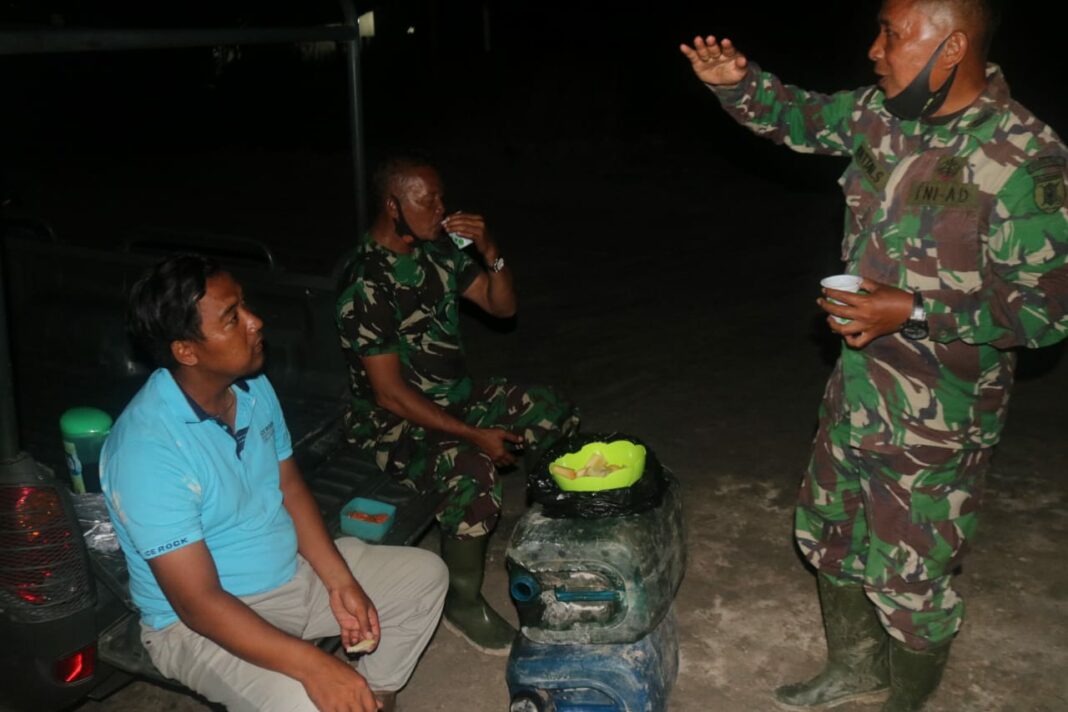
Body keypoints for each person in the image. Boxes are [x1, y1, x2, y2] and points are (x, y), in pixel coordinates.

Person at [682, 1, 1068, 710]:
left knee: (910, 578)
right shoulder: (880, 115)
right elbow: (799, 118)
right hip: (857, 384)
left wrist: (913, 310)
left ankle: (905, 700)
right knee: (828, 533)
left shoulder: (1024, 156)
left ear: (950, 47)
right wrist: (738, 83)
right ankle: (855, 668)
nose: (874, 49)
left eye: (893, 34)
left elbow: (1045, 315)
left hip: (941, 415)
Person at [100, 255, 448, 712]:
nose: (255, 321)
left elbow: (288, 484)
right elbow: (197, 604)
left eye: (244, 305)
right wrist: (313, 665)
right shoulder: (147, 450)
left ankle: (373, 697)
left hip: (290, 574)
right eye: (232, 317)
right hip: (201, 624)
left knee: (424, 577)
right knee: (304, 700)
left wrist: (339, 580)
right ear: (187, 350)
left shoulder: (251, 386)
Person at [335, 156, 580, 655]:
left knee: (549, 409)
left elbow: (502, 306)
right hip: (390, 422)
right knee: (472, 473)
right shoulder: (366, 283)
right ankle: (461, 602)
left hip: (454, 399)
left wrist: (491, 252)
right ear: (392, 206)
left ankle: (546, 530)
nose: (442, 209)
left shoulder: (439, 251)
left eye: (442, 197)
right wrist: (475, 436)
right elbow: (389, 393)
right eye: (428, 201)